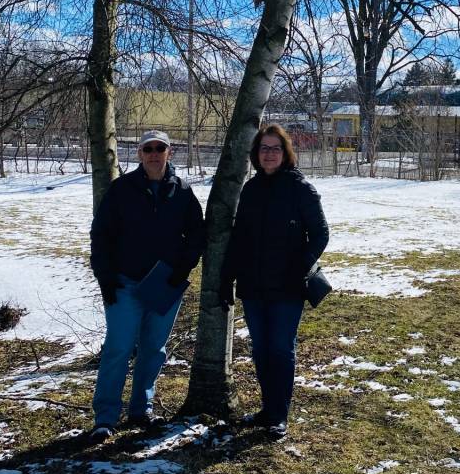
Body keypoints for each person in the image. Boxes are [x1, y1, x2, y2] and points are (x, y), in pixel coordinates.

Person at [88, 130, 205, 443]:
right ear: (139, 154)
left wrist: (181, 270)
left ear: (169, 153)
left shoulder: (181, 190)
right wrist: (106, 277)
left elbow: (196, 234)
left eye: (160, 149)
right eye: (148, 149)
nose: (154, 154)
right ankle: (106, 417)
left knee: (153, 349)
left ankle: (141, 409)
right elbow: (101, 236)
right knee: (119, 348)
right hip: (124, 283)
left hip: (165, 283)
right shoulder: (121, 189)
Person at [220, 124, 329, 439]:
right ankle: (268, 409)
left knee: (281, 349)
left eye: (275, 148)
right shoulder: (251, 190)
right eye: (264, 148)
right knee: (261, 350)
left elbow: (320, 234)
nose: (269, 154)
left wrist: (300, 266)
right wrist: (227, 280)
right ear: (256, 154)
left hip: (287, 287)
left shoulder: (301, 189)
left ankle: (279, 416)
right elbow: (239, 240)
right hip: (253, 286)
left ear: (286, 153)